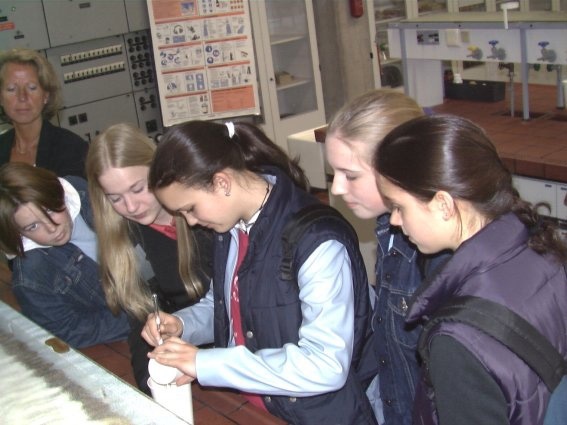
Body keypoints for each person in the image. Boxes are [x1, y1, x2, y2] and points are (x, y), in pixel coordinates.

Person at [141, 120, 376, 424]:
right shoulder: (231, 227)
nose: (191, 222)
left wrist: (206, 364)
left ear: (221, 183)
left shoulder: (316, 240)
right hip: (254, 404)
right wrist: (182, 325)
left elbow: (325, 365)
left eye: (190, 208)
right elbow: (223, 304)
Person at [373, 114, 567, 425]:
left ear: (443, 205)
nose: (394, 220)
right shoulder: (541, 250)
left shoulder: (456, 340)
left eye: (399, 206)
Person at [325, 89, 449, 425]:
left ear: (397, 167)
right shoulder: (390, 227)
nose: (336, 188)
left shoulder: (438, 255)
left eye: (350, 175)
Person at [85, 122, 213, 396]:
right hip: (191, 365)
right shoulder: (127, 239)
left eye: (138, 188)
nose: (131, 207)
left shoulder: (207, 212)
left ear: (159, 170)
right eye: (115, 198)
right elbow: (140, 323)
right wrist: (151, 387)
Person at [0, 162, 130, 348]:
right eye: (32, 226)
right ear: (18, 233)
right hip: (134, 325)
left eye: (50, 210)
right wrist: (142, 317)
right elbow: (66, 331)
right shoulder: (31, 277)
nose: (52, 228)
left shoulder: (80, 190)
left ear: (59, 194)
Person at [0, 48, 88, 177]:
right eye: (11, 89)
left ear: (46, 95)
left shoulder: (71, 148)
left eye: (32, 88)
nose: (22, 97)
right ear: (1, 98)